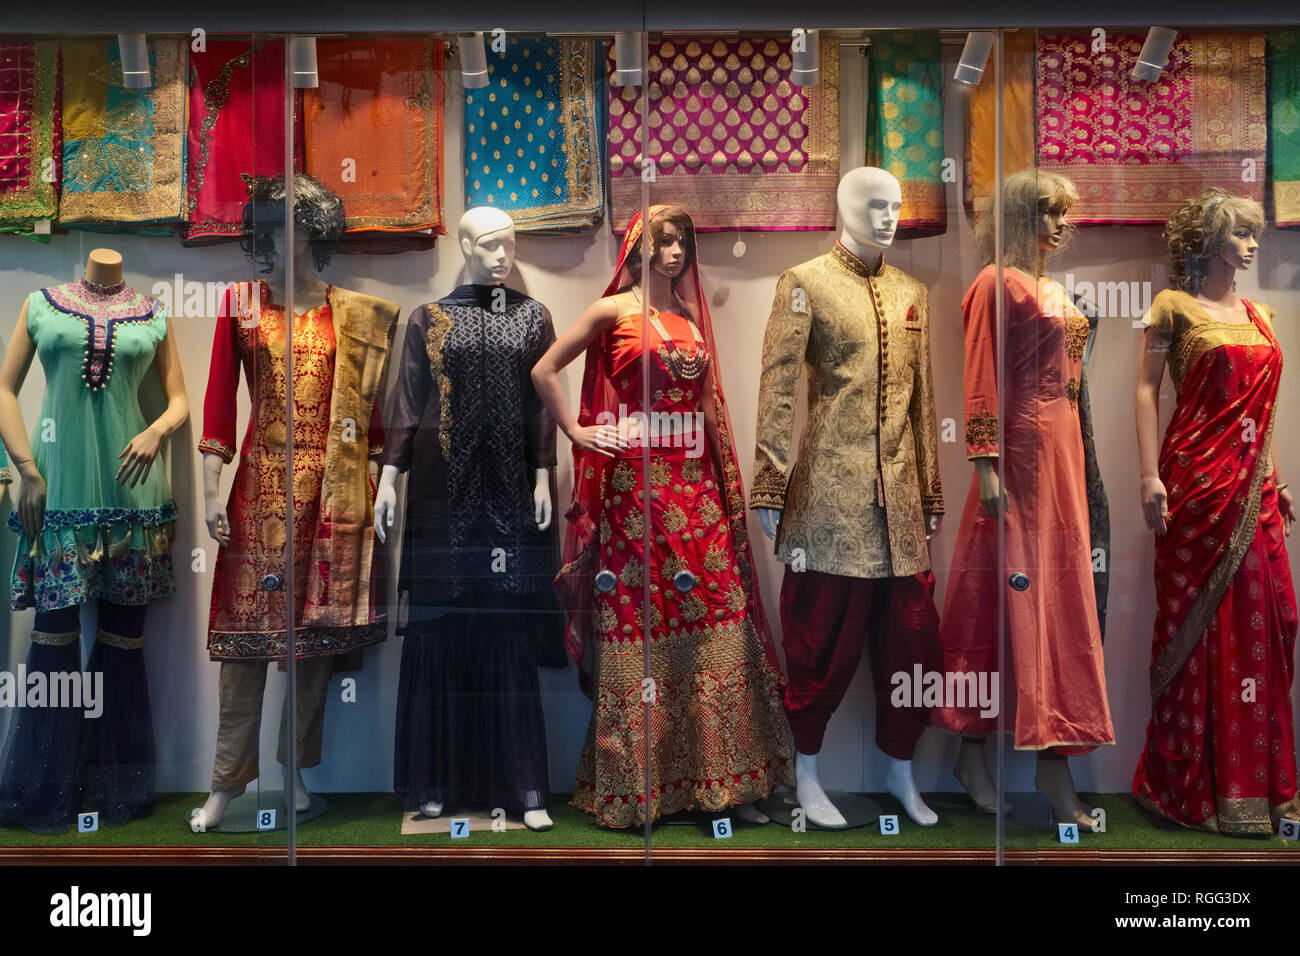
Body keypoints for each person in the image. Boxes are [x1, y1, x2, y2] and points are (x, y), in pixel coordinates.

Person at [531, 205, 794, 828]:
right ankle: (638, 790)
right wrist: (579, 431)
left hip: (696, 489)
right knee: (642, 630)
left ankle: (728, 786)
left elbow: (706, 407)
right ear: (639, 245)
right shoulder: (612, 312)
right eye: (665, 241)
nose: (676, 253)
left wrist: (732, 484)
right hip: (637, 492)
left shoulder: (687, 319)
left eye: (682, 244)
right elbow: (543, 369)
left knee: (718, 619)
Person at [931, 170, 1114, 826]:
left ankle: (1015, 759)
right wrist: (984, 463)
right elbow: (980, 371)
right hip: (1021, 459)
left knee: (1052, 604)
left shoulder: (1053, 288)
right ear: (1016, 219)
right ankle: (997, 759)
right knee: (1002, 603)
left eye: (1063, 214)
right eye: (1045, 214)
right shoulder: (994, 282)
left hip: (1065, 459)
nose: (1060, 226)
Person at [1133, 187, 1300, 835]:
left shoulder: (1261, 316)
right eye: (1240, 235)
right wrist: (1149, 475)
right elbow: (1146, 394)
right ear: (1207, 242)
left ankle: (1261, 787)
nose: (1253, 245)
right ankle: (1187, 789)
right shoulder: (1172, 307)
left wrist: (1276, 477)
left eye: (1255, 234)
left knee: (1275, 619)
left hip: (1254, 492)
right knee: (1197, 633)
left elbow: (1267, 411)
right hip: (1197, 487)